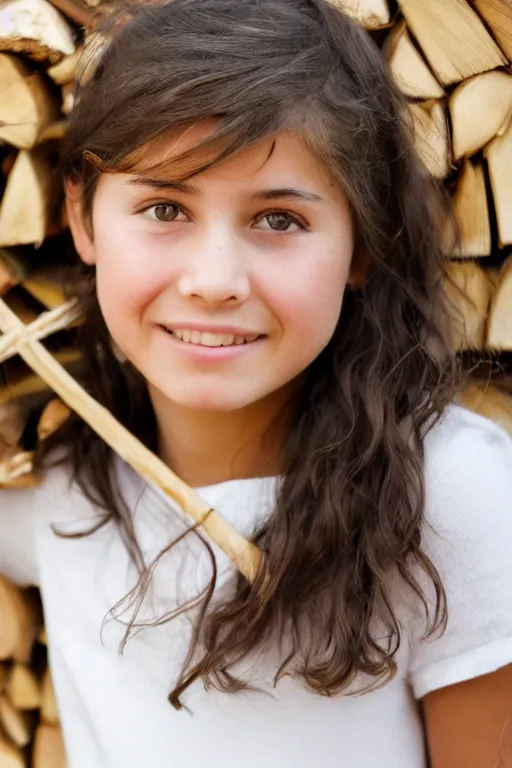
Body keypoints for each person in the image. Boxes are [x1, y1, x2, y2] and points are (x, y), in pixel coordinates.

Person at [1, 0, 511, 765]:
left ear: (362, 245)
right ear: (83, 216)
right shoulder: (61, 489)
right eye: (164, 206)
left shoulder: (448, 497)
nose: (214, 282)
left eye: (278, 220)